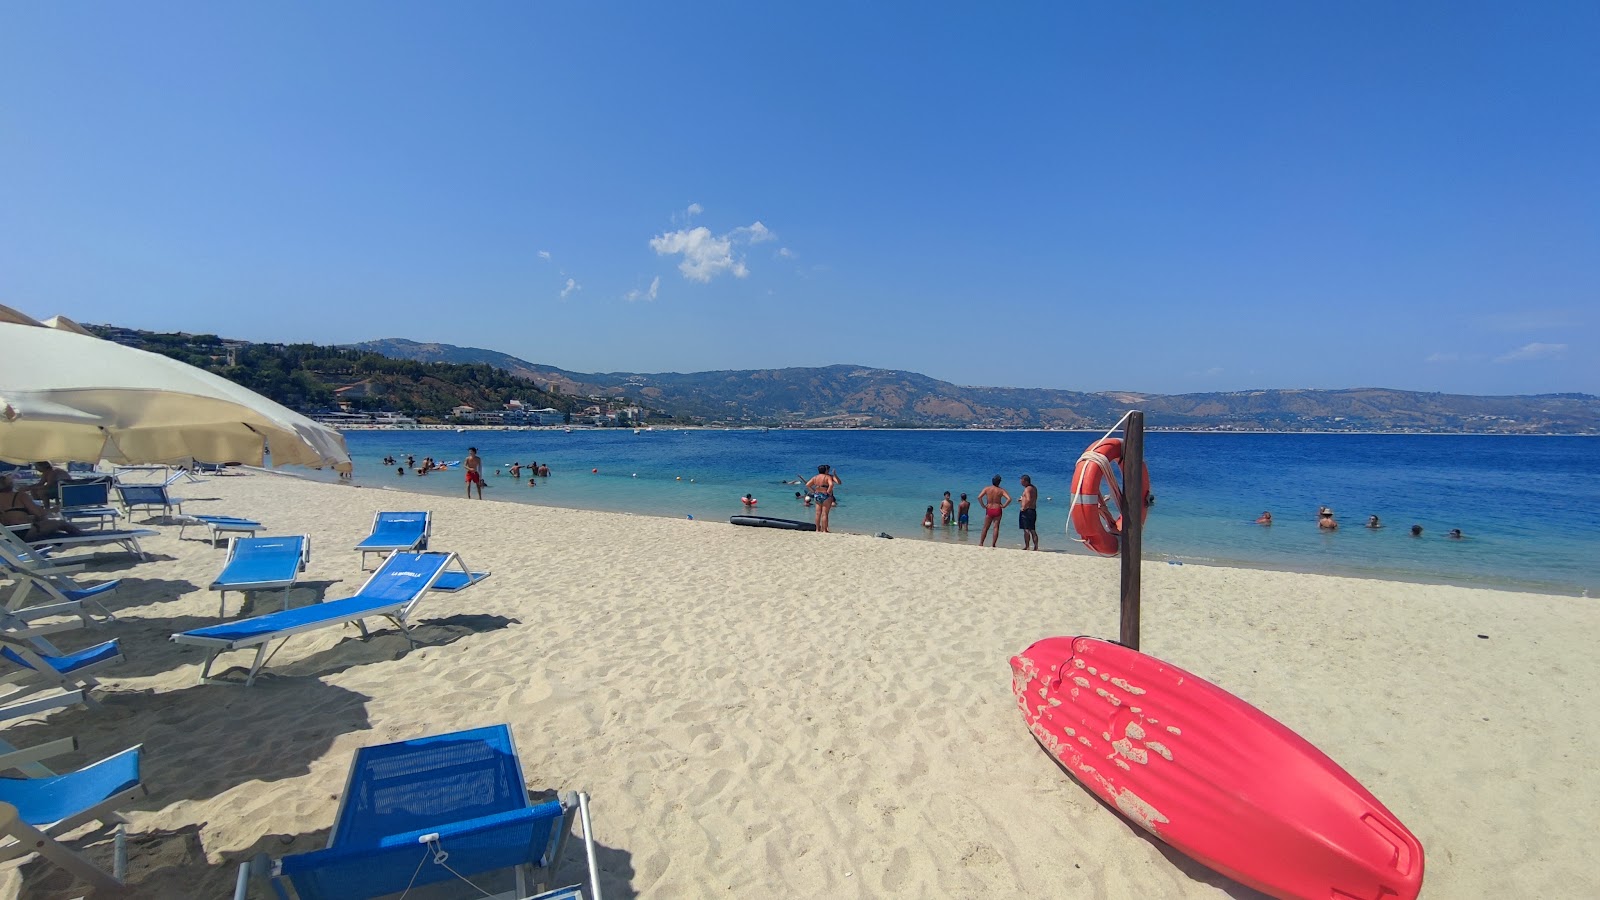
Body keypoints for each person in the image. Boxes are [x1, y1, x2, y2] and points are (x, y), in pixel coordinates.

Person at [0, 474, 83, 541]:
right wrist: (52, 510)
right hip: (22, 532)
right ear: (10, 484)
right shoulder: (19, 496)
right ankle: (87, 537)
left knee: (42, 524)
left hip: (5, 537)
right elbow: (38, 513)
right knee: (61, 523)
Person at [805, 464, 840, 533]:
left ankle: (817, 529)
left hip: (817, 495)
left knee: (818, 513)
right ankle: (824, 530)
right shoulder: (827, 477)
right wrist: (828, 492)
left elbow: (807, 485)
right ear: (826, 470)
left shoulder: (815, 477)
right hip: (825, 495)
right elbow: (831, 484)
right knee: (825, 514)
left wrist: (814, 491)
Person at [978, 475, 1011, 548]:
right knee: (996, 527)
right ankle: (993, 544)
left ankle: (981, 543)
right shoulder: (1001, 490)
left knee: (985, 527)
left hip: (989, 509)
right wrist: (1004, 506)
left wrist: (983, 505)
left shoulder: (987, 489)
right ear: (999, 482)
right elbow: (1009, 499)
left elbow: (979, 497)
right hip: (997, 509)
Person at [1018, 474, 1039, 550]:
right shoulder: (1033, 488)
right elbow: (1031, 498)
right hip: (1033, 510)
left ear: (1026, 481)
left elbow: (1029, 499)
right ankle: (1035, 547)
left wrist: (1024, 507)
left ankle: (1027, 546)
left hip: (1027, 511)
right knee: (1032, 529)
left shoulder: (1027, 489)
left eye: (1022, 481)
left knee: (1026, 529)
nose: (1021, 482)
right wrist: (1022, 499)